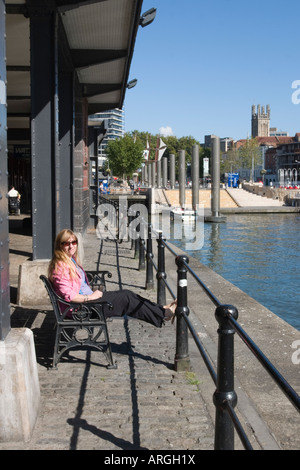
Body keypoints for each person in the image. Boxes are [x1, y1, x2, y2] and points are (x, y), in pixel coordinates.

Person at [48, 229, 177, 327]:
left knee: (128, 295)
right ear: (60, 246)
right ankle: (163, 313)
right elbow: (68, 296)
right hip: (82, 309)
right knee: (126, 297)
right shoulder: (61, 267)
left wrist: (91, 296)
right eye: (66, 243)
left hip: (88, 303)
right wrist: (90, 297)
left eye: (74, 242)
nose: (71, 246)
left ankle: (161, 310)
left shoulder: (70, 261)